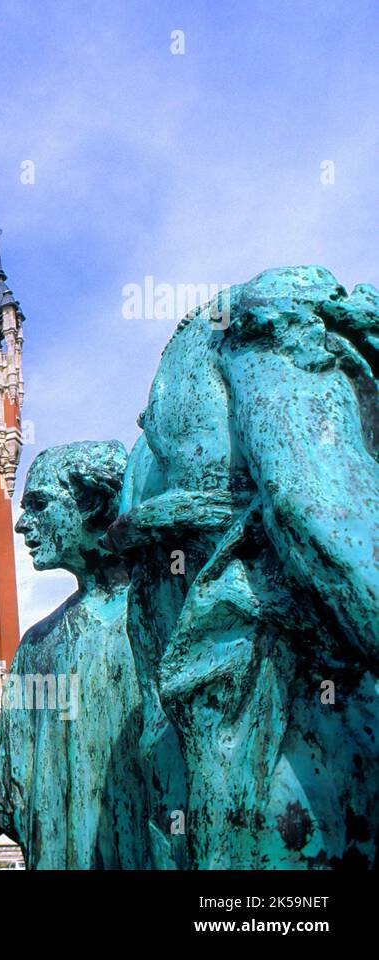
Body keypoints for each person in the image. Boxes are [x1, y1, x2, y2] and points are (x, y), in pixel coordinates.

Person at [108, 266, 379, 868]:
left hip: (238, 771)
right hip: (281, 771)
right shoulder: (248, 331)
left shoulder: (193, 376)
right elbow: (324, 516)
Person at [0, 441, 178, 869]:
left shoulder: (173, 616)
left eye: (38, 504)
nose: (20, 525)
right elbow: (2, 796)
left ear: (93, 503)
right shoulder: (37, 646)